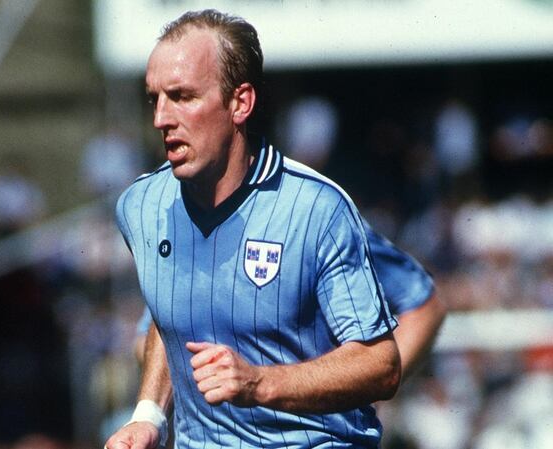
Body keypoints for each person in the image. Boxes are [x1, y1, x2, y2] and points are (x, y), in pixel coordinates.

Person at [106, 9, 403, 449]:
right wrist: (150, 415)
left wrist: (260, 383)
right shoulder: (141, 207)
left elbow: (382, 364)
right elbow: (168, 322)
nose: (161, 119)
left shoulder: (316, 208)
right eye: (155, 99)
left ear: (240, 103)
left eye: (183, 96)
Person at [134, 224, 446, 380]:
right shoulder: (190, 227)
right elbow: (148, 338)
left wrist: (363, 387)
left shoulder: (317, 214)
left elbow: (423, 305)